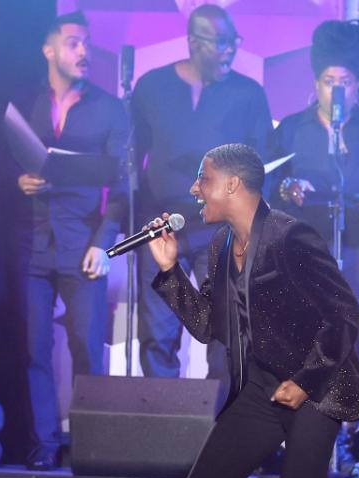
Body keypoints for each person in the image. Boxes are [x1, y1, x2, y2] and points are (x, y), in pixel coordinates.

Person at [145, 143, 359, 478]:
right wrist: (170, 271)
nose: (195, 189)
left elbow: (344, 312)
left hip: (317, 386)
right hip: (260, 389)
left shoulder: (291, 236)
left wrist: (307, 381)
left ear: (232, 184)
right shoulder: (221, 246)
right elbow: (205, 324)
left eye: (204, 179)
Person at [13, 11, 129, 470]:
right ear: (49, 50)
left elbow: (122, 187)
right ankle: (43, 447)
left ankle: (90, 448)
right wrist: (16, 182)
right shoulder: (25, 101)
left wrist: (103, 242)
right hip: (32, 244)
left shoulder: (109, 107)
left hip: (84, 244)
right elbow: (1, 165)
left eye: (87, 44)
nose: (84, 52)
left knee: (86, 347)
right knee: (34, 350)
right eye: (74, 43)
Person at [132, 3, 273, 379]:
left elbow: (264, 164)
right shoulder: (151, 86)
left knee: (226, 336)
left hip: (221, 230)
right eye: (221, 42)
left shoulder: (248, 94)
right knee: (157, 333)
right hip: (162, 225)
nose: (230, 49)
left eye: (233, 41)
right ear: (194, 42)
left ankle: (219, 431)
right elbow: (132, 154)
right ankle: (163, 428)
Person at [270, 20, 359, 380]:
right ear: (316, 84)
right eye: (329, 82)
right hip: (306, 247)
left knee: (356, 327)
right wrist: (287, 189)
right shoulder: (293, 128)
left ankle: (351, 419)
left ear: (357, 86)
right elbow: (270, 183)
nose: (336, 91)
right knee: (307, 327)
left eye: (344, 83)